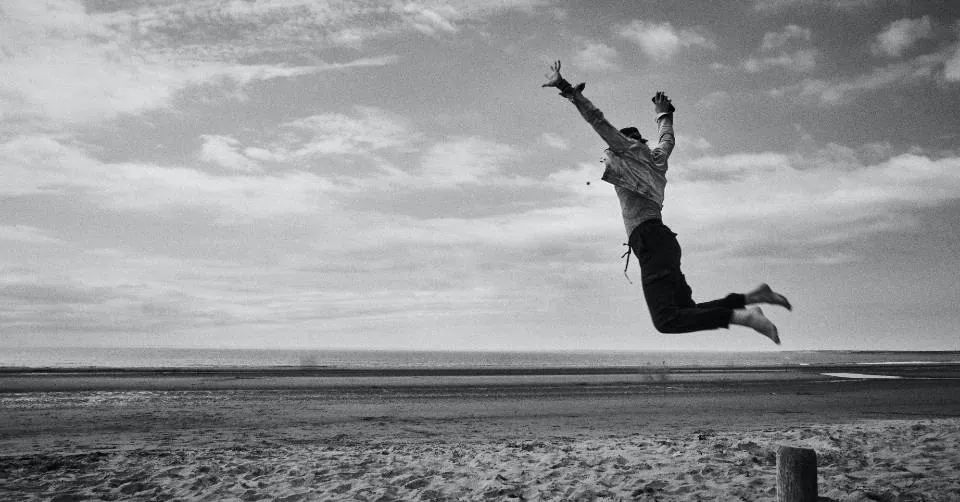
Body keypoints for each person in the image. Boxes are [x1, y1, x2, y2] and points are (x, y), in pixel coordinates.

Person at [541, 60, 791, 344]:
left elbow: (597, 120)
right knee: (686, 311)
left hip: (649, 239)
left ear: (622, 142)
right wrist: (663, 113)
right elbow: (667, 138)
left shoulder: (626, 150)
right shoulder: (656, 158)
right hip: (663, 241)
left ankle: (743, 317)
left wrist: (566, 88)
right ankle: (751, 299)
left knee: (667, 320)